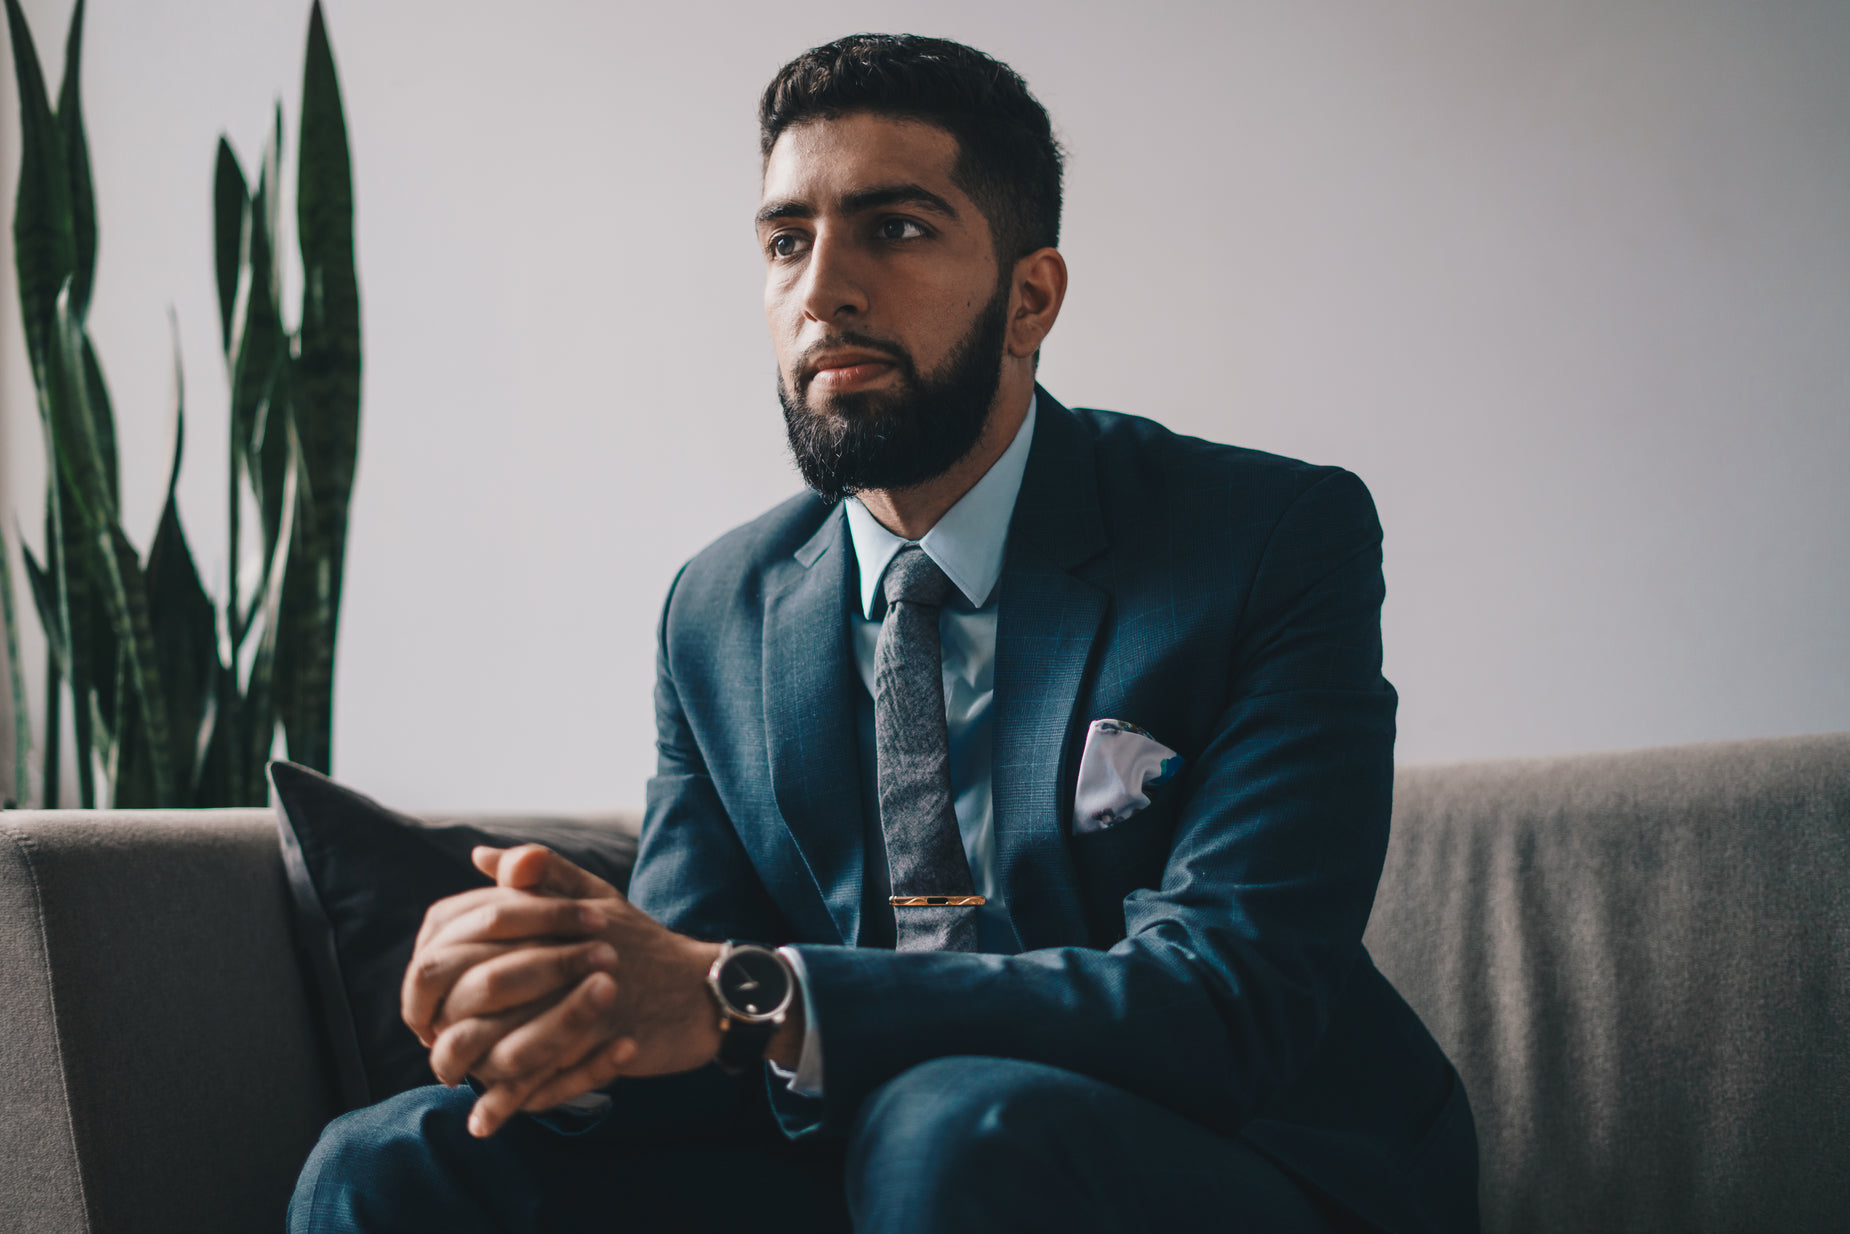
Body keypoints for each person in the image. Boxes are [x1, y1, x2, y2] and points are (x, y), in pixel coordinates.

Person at [290, 33, 1478, 1234]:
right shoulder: (716, 607)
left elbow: (1227, 1000)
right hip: (862, 1156)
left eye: (895, 228)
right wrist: (571, 1011)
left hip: (1239, 1158)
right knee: (390, 1159)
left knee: (953, 1126)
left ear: (1030, 298)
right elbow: (689, 996)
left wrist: (750, 992)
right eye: (785, 241)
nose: (822, 290)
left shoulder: (1268, 536)